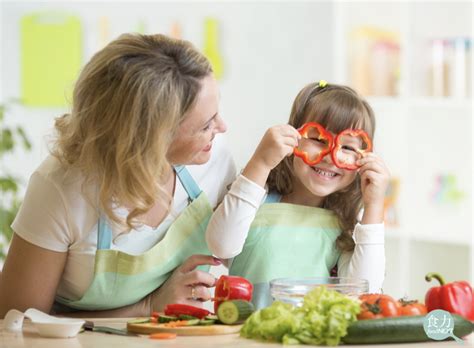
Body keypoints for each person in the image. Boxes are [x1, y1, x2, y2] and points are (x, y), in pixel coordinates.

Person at [0, 33, 236, 318]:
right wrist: (147, 308)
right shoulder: (62, 188)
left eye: (216, 114)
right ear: (151, 139)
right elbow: (14, 322)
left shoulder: (215, 159)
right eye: (205, 125)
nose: (222, 127)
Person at [206, 81, 390, 308]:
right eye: (318, 139)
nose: (331, 156)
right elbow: (221, 246)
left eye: (348, 148)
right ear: (293, 137)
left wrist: (374, 207)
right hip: (244, 337)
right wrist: (261, 162)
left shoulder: (347, 221)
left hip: (313, 341)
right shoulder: (258, 196)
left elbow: (365, 293)